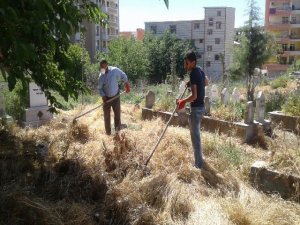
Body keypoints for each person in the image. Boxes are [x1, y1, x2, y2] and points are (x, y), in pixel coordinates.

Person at [177, 50, 208, 169]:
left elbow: (194, 96)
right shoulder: (199, 70)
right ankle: (200, 159)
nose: (185, 66)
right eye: (185, 63)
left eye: (187, 63)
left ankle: (198, 164)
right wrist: (192, 83)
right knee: (197, 135)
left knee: (195, 138)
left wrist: (182, 101)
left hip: (196, 110)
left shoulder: (193, 73)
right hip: (201, 108)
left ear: (193, 62)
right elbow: (205, 82)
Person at [98, 59, 130, 135]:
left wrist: (126, 84)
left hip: (116, 96)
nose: (104, 69)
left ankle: (117, 131)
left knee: (117, 114)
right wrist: (103, 96)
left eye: (105, 67)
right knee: (106, 116)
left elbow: (123, 75)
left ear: (107, 65)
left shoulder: (114, 70)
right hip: (106, 99)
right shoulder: (101, 76)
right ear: (101, 67)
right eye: (102, 68)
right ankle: (108, 133)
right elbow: (100, 88)